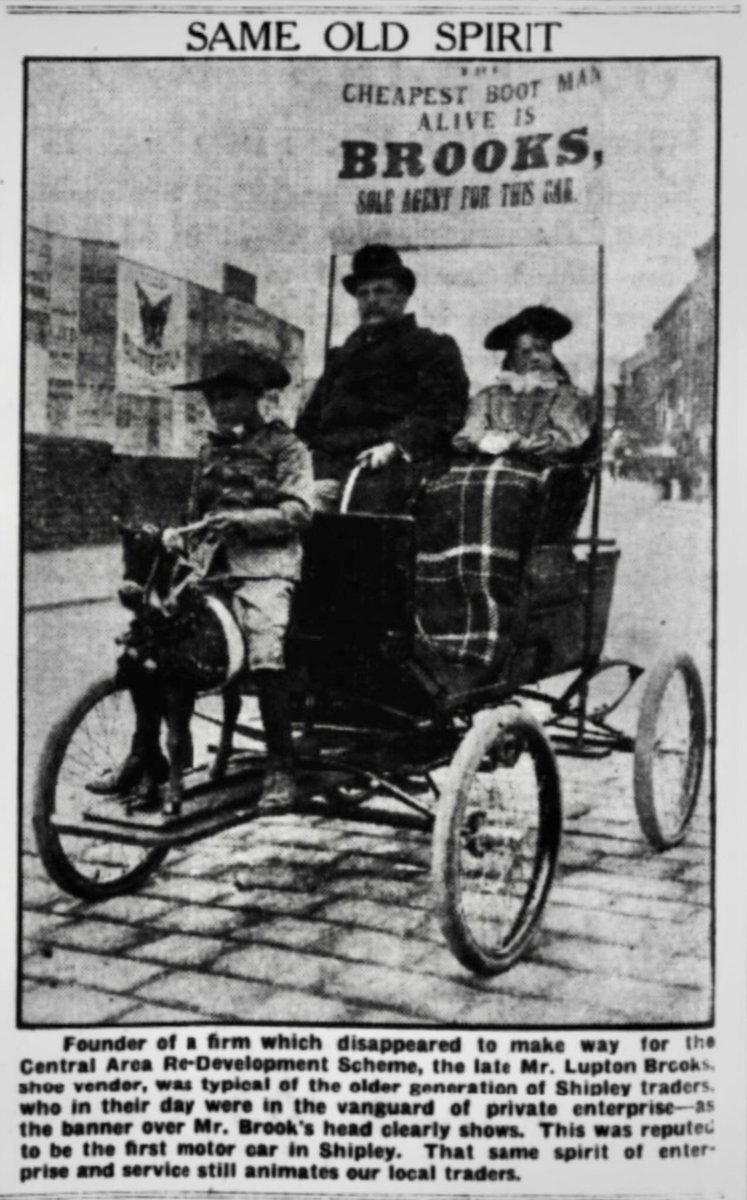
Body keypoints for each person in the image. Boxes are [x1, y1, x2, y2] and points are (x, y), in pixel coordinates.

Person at [92, 340, 313, 809]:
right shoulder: (208, 450)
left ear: (256, 398)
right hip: (209, 567)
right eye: (213, 399)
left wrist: (245, 522)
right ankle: (144, 756)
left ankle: (280, 767)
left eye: (229, 397)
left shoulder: (287, 447)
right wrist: (179, 540)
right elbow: (196, 509)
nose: (219, 408)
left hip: (264, 570)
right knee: (151, 642)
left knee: (265, 646)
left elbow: (299, 511)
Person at [296, 243, 470, 513]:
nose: (371, 300)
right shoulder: (341, 357)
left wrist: (395, 446)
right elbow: (310, 421)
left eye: (381, 291)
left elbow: (441, 413)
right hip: (327, 464)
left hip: (391, 464)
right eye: (363, 293)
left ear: (402, 296)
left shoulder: (432, 347)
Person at [452, 305, 594, 463]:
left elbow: (566, 436)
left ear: (551, 354)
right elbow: (467, 433)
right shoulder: (487, 397)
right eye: (525, 352)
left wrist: (515, 442)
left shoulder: (568, 396)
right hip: (493, 470)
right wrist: (484, 442)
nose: (535, 357)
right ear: (512, 360)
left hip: (546, 473)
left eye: (542, 349)